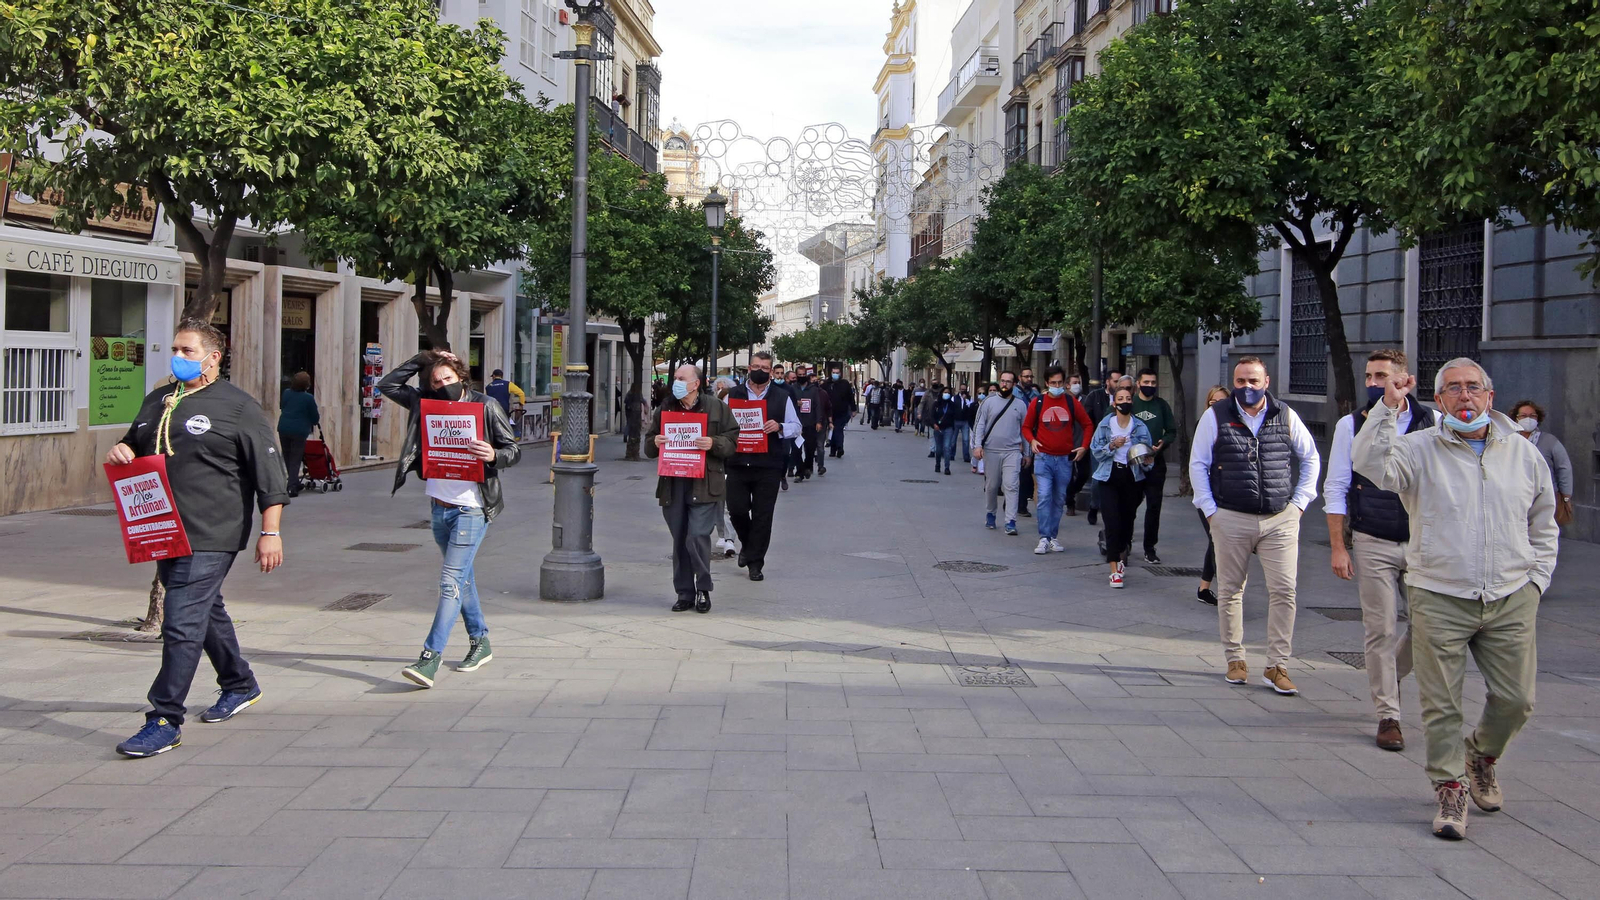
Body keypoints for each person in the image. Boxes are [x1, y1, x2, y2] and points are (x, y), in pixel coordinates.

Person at [1352, 357, 1557, 841]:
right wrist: (1388, 405)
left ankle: (1481, 756)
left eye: (1473, 388)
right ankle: (1450, 787)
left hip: (1510, 594)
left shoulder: (1523, 453)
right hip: (1440, 593)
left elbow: (1543, 521)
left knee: (1517, 700)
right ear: (1439, 401)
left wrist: (1536, 581)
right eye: (1453, 389)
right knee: (1442, 705)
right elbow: (1370, 463)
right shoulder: (1418, 448)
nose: (1464, 396)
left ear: (1490, 396)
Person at [108, 320, 287, 757]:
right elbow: (135, 443)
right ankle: (239, 683)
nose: (177, 357)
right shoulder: (158, 400)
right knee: (205, 611)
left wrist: (270, 532)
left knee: (181, 619)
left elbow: (271, 476)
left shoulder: (237, 407)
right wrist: (121, 449)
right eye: (174, 348)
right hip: (164, 528)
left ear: (213, 357)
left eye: (187, 350)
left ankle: (164, 718)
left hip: (214, 530)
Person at [379, 350, 521, 688]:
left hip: (472, 507)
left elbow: (513, 450)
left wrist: (494, 455)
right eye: (436, 381)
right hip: (439, 506)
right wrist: (425, 357)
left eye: (448, 378)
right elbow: (388, 384)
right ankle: (480, 641)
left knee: (449, 582)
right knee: (462, 579)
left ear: (461, 377)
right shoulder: (425, 403)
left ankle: (430, 657)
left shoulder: (485, 405)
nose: (443, 385)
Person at [1324, 350, 1439, 751]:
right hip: (1373, 538)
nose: (1374, 384)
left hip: (1423, 542)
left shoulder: (1432, 423)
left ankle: (1390, 677)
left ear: (1404, 380)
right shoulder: (1350, 424)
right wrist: (1340, 546)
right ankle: (1388, 714)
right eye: (1370, 377)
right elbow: (1336, 486)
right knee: (1381, 629)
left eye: (1383, 377)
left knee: (1428, 628)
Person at [1189, 356, 1321, 696]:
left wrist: (1300, 504)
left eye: (1253, 381)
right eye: (1240, 381)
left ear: (1266, 382)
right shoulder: (1216, 416)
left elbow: (1310, 458)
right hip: (1230, 517)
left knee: (1284, 591)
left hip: (1280, 519)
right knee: (1231, 590)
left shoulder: (1285, 415)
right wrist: (1210, 511)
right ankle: (1235, 658)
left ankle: (1277, 666)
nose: (1246, 387)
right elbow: (1198, 463)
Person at [646, 364, 740, 613]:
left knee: (697, 536)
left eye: (680, 378)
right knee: (680, 541)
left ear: (695, 383)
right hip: (673, 483)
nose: (675, 381)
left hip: (705, 483)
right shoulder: (666, 407)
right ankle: (684, 593)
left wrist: (714, 443)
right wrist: (654, 442)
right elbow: (649, 444)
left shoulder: (716, 407)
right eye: (675, 377)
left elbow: (732, 441)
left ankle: (703, 589)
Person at [725, 352, 800, 582]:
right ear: (749, 368)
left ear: (771, 371)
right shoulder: (733, 395)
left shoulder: (782, 396)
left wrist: (779, 426)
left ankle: (755, 563)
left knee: (762, 516)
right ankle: (747, 546)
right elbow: (721, 424)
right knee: (736, 509)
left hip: (768, 464)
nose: (760, 370)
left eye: (765, 368)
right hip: (737, 462)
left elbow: (796, 427)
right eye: (756, 366)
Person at [1024, 366, 1093, 554]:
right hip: (1044, 458)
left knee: (1059, 498)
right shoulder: (1037, 402)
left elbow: (1087, 424)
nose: (1056, 386)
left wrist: (1084, 446)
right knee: (1045, 496)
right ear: (1047, 383)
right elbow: (1026, 427)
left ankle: (1052, 536)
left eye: (1059, 383)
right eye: (1053, 383)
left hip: (1064, 460)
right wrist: (1032, 441)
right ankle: (1044, 537)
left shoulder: (1071, 402)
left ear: (1064, 383)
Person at [1091, 386, 1152, 588]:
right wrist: (1111, 445)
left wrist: (1147, 457)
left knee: (1127, 522)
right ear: (1114, 403)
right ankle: (1114, 570)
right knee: (1111, 522)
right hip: (1109, 475)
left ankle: (1122, 548)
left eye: (1128, 398)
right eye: (1120, 398)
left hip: (1132, 476)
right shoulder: (1105, 425)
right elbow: (1096, 451)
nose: (1124, 401)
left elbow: (1147, 456)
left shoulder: (1140, 426)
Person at [972, 371, 1028, 535]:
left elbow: (1025, 430)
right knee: (992, 485)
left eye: (1008, 382)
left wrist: (1028, 454)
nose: (1005, 384)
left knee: (1011, 486)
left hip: (1012, 451)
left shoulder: (1020, 405)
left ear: (1014, 384)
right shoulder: (988, 402)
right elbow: (979, 425)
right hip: (991, 451)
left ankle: (1010, 521)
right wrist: (977, 446)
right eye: (1002, 381)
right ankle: (991, 513)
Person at [1131, 368, 1175, 563]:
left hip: (1156, 462)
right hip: (1133, 463)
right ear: (1138, 383)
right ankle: (1125, 542)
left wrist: (1162, 444)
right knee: (1130, 504)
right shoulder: (1130, 403)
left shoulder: (1162, 405)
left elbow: (1172, 431)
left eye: (1153, 383)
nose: (1150, 386)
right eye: (1146, 382)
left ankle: (1150, 548)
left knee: (1154, 506)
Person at [1194, 385, 1230, 606]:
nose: (1215, 406)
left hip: (1227, 492)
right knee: (1218, 540)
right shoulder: (1204, 425)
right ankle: (1227, 590)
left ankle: (1204, 587)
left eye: (1221, 402)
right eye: (1212, 402)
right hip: (1207, 493)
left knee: (1216, 540)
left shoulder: (1233, 425)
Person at [1510, 400, 1574, 522]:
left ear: (1538, 418)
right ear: (1516, 418)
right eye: (1523, 416)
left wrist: (1566, 496)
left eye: (1532, 416)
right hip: (1515, 495)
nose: (1528, 419)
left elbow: (1564, 467)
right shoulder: (1508, 440)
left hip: (1545, 496)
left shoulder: (1550, 441)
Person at [711, 376, 743, 559]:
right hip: (719, 463)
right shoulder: (713, 415)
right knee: (719, 503)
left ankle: (728, 537)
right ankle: (726, 536)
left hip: (735, 464)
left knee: (729, 504)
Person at [1083, 369, 1120, 526]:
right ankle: (1094, 506)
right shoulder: (1095, 396)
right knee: (1098, 479)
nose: (1118, 385)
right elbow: (1087, 419)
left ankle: (1111, 512)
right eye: (1115, 381)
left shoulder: (1124, 398)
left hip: (1119, 446)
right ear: (1108, 382)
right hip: (1099, 444)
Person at [277, 371, 320, 498]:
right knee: (296, 458)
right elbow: (314, 416)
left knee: (287, 456)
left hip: (284, 428)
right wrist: (314, 421)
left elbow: (282, 406)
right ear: (307, 384)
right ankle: (291, 487)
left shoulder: (286, 393)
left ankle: (293, 481)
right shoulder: (308, 398)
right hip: (299, 431)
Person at [1063, 373, 1091, 517]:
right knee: (1068, 476)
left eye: (1078, 382)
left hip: (1083, 444)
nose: (1077, 385)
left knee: (1084, 474)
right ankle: (1070, 503)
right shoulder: (1064, 400)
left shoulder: (1086, 400)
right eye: (1074, 382)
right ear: (1067, 385)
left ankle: (1071, 492)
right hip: (1068, 444)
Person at [1015, 368, 1041, 518]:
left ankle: (1021, 504)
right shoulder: (1014, 394)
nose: (1029, 379)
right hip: (1017, 438)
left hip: (1032, 437)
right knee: (1018, 474)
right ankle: (1015, 502)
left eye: (1031, 376)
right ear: (1020, 378)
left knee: (1027, 474)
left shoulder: (1036, 395)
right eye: (1026, 376)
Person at [826, 366, 856, 457]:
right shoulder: (827, 384)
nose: (835, 374)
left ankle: (839, 448)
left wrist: (853, 409)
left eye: (837, 372)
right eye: (834, 372)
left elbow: (850, 397)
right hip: (830, 412)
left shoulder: (845, 383)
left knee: (838, 429)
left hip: (842, 411)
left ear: (840, 374)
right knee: (833, 429)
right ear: (831, 373)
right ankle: (833, 449)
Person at [930, 385, 961, 475]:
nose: (946, 394)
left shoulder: (952, 405)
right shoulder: (936, 404)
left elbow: (956, 415)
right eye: (945, 392)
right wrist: (934, 424)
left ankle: (947, 467)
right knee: (939, 449)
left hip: (949, 428)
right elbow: (932, 416)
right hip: (938, 428)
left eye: (948, 393)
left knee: (947, 447)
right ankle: (938, 464)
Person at [953, 387, 974, 465]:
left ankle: (966, 456)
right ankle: (952, 455)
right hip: (956, 420)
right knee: (953, 439)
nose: (963, 390)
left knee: (965, 440)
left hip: (965, 421)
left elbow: (970, 407)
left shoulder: (969, 398)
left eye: (964, 389)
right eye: (961, 389)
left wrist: (966, 400)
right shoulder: (954, 398)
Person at [920, 383, 941, 457]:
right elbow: (922, 403)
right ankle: (932, 450)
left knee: (940, 435)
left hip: (941, 417)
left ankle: (939, 450)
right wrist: (920, 413)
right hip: (930, 416)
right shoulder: (928, 393)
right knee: (931, 435)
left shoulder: (941, 393)